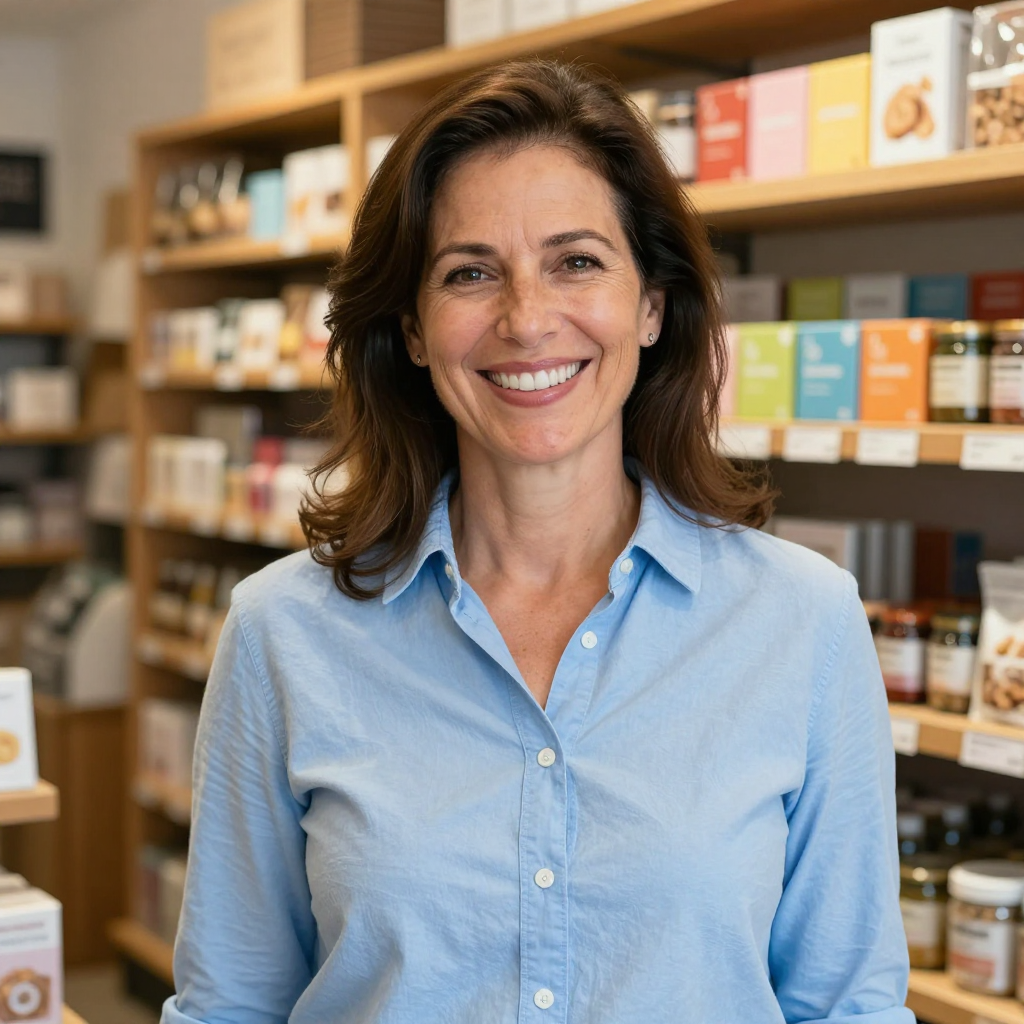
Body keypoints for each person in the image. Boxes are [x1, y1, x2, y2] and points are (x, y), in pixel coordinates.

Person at [163, 59, 912, 1024]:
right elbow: (230, 1006)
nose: (526, 319)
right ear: (416, 330)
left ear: (651, 306)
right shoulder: (281, 634)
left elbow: (848, 1005)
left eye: (578, 261)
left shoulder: (803, 622)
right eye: (470, 273)